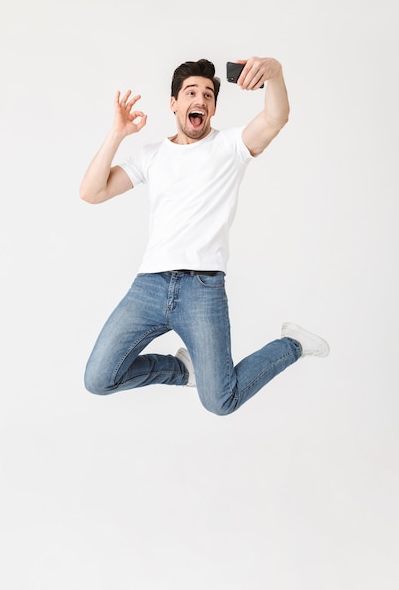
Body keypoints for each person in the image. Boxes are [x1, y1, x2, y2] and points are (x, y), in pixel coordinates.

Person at [80, 56, 329, 416]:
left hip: (202, 290)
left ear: (212, 108)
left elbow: (276, 118)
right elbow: (91, 192)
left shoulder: (230, 146)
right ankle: (183, 370)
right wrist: (117, 133)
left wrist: (273, 72)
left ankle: (293, 344)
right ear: (174, 104)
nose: (200, 99)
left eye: (208, 95)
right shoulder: (152, 156)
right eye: (191, 92)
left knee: (220, 401)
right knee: (99, 378)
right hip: (149, 286)